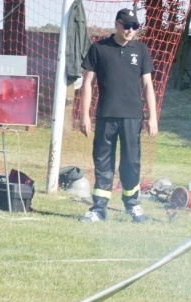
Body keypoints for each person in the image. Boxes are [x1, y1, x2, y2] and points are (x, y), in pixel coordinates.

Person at [78, 8, 158, 223]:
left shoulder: (141, 50)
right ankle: (99, 209)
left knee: (131, 162)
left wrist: (152, 117)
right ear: (117, 25)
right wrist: (84, 115)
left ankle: (132, 205)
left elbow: (148, 85)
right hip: (106, 115)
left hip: (133, 117)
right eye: (127, 26)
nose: (131, 30)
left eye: (135, 26)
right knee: (103, 161)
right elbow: (88, 83)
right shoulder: (98, 48)